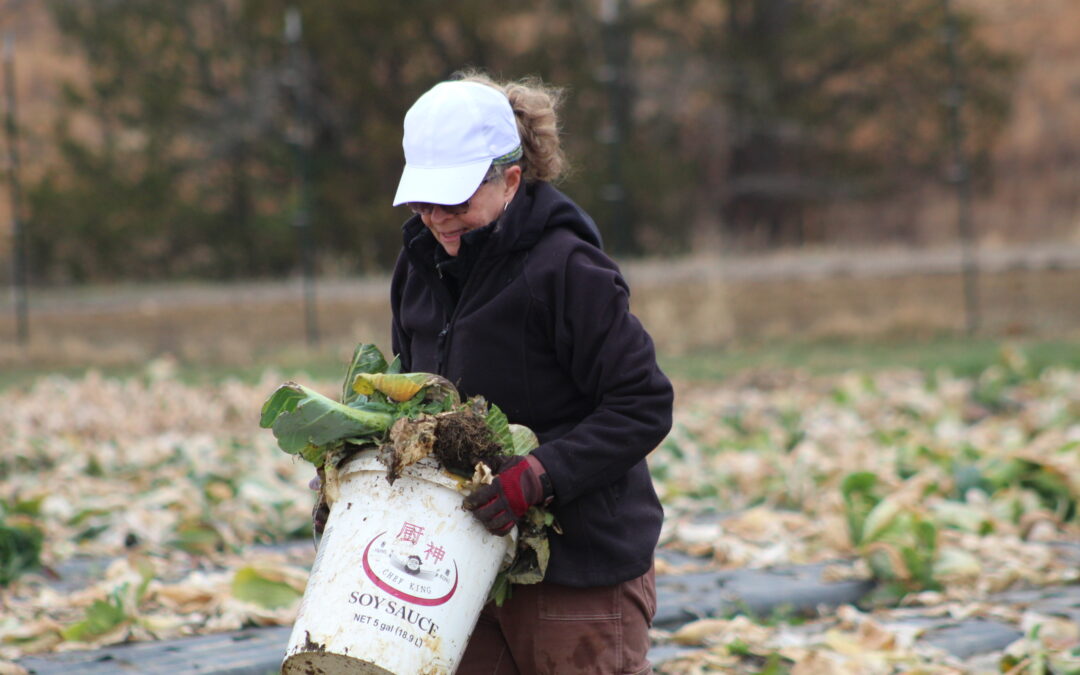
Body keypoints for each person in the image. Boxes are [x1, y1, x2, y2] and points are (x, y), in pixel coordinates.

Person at [385, 71, 673, 674]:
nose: (437, 217)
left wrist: (538, 476)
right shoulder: (418, 269)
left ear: (510, 180)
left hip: (579, 573)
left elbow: (642, 403)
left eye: (456, 201)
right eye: (423, 199)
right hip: (464, 567)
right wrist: (364, 475)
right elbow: (412, 405)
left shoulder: (567, 270)